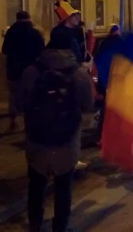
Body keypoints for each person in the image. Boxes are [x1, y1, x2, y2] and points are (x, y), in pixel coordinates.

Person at [19, 30, 94, 232]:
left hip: (37, 140)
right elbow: (88, 105)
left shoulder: (31, 71)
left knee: (36, 183)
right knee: (63, 187)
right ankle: (59, 226)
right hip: (67, 141)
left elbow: (20, 103)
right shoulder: (78, 73)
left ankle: (35, 223)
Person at [2, 11, 45, 131]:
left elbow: (5, 49)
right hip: (30, 69)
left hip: (13, 69)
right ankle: (29, 122)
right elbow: (41, 51)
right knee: (30, 94)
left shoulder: (11, 32)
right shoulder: (35, 33)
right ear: (29, 18)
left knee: (13, 95)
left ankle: (13, 120)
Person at [51, 0, 85, 64]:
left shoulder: (78, 32)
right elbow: (62, 59)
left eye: (78, 15)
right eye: (74, 15)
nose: (78, 17)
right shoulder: (59, 35)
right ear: (67, 18)